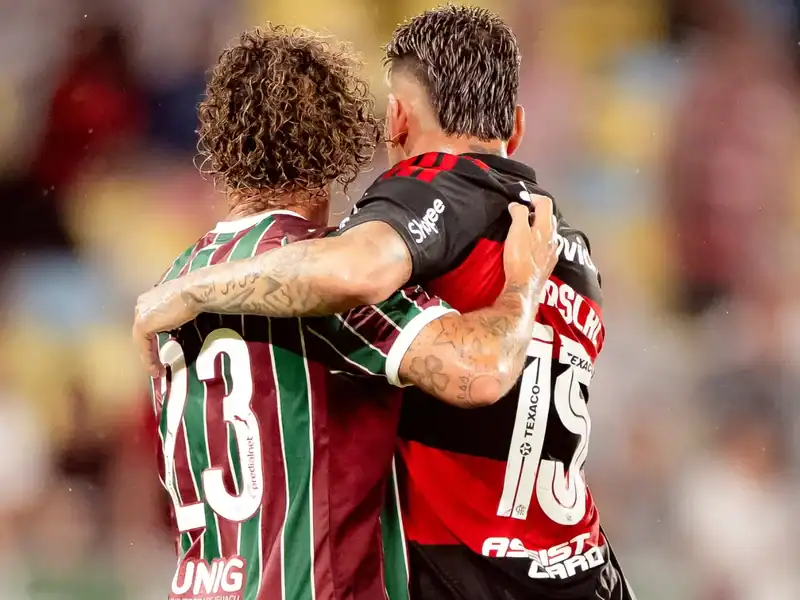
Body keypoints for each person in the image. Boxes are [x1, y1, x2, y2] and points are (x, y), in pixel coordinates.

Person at [134, 7, 635, 600]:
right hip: (549, 572)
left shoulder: (181, 276)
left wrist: (185, 291)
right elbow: (479, 369)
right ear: (345, 145)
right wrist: (520, 287)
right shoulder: (567, 254)